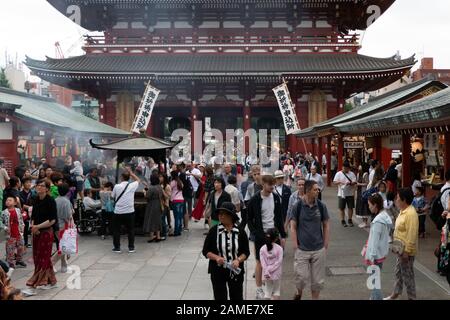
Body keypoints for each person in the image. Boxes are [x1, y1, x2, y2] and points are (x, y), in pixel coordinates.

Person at [247, 175, 287, 300]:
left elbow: (279, 217)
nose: (272, 188)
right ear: (263, 184)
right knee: (260, 261)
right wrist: (256, 233)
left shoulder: (275, 197)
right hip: (261, 234)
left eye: (273, 185)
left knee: (275, 261)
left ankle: (274, 290)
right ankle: (259, 289)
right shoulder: (255, 199)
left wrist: (283, 235)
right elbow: (249, 219)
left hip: (274, 234)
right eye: (270, 185)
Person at [289, 180, 330, 300]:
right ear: (307, 191)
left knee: (317, 282)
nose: (318, 191)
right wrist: (295, 245)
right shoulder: (298, 206)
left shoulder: (321, 206)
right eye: (315, 189)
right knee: (301, 278)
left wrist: (325, 243)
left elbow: (326, 224)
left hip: (318, 249)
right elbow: (293, 226)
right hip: (302, 249)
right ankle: (298, 294)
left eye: (318, 189)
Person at [202, 202, 249, 300]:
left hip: (235, 271)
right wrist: (216, 257)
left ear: (231, 216)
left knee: (237, 297)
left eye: (223, 213)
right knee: (220, 297)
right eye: (219, 214)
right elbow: (205, 251)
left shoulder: (240, 232)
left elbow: (246, 252)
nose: (220, 216)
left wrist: (238, 260)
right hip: (217, 271)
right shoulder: (214, 231)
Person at [22, 179, 58, 297]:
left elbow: (52, 220)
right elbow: (34, 215)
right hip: (36, 232)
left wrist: (38, 226)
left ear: (47, 188)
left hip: (46, 232)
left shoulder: (50, 200)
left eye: (42, 186)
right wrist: (33, 226)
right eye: (38, 185)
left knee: (43, 258)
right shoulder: (35, 199)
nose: (39, 187)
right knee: (39, 258)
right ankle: (52, 281)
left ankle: (33, 286)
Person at [384, 188, 419, 300]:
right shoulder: (403, 211)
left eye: (398, 198)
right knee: (398, 273)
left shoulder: (411, 214)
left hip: (406, 251)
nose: (396, 200)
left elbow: (411, 235)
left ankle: (412, 297)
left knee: (407, 276)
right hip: (399, 249)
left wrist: (407, 252)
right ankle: (395, 293)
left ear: (404, 200)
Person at [363, 193, 393, 300]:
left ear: (375, 205)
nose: (369, 207)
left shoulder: (377, 222)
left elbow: (374, 241)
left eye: (370, 205)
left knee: (374, 284)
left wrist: (371, 257)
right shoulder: (385, 217)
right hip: (381, 254)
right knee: (375, 282)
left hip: (375, 256)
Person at [111, 167, 140, 253]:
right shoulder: (132, 185)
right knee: (131, 230)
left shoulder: (117, 186)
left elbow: (112, 197)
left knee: (116, 230)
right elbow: (138, 180)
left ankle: (117, 248)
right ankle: (131, 247)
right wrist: (131, 173)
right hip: (130, 211)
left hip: (118, 212)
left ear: (121, 178)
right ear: (129, 178)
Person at [53, 183, 74, 273]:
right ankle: (51, 263)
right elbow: (68, 216)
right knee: (64, 248)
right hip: (63, 225)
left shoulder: (55, 200)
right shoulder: (66, 201)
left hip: (56, 225)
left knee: (63, 246)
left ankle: (64, 266)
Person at [1, 196, 26, 269]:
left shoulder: (18, 210)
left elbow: (21, 219)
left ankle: (19, 260)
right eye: (7, 200)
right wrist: (5, 228)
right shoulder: (4, 212)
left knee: (20, 248)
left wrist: (23, 227)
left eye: (10, 200)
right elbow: (1, 222)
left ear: (15, 203)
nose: (8, 201)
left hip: (19, 233)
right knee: (10, 250)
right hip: (10, 234)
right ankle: (10, 263)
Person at [259, 228, 283, 300]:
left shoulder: (262, 249)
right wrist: (271, 269)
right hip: (276, 274)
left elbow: (262, 263)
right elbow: (279, 262)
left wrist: (267, 271)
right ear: (276, 238)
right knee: (276, 291)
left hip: (266, 275)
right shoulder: (279, 248)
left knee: (267, 292)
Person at [333, 161, 357, 227]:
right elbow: (334, 182)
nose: (345, 169)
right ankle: (343, 220)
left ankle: (350, 219)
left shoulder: (352, 174)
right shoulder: (338, 173)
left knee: (350, 207)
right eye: (344, 168)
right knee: (342, 208)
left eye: (347, 168)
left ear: (349, 168)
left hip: (350, 193)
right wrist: (339, 182)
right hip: (341, 193)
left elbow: (355, 182)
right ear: (342, 167)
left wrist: (351, 183)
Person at [143, 174, 164, 243]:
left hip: (152, 205)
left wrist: (144, 192)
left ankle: (151, 236)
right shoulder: (159, 187)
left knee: (151, 219)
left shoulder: (152, 188)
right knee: (158, 220)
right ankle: (158, 236)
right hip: (159, 204)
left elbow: (147, 196)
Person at [273, 170, 292, 234]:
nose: (280, 180)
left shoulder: (287, 189)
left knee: (283, 233)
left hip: (284, 213)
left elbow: (290, 203)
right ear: (275, 179)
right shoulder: (271, 188)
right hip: (274, 213)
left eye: (281, 178)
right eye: (278, 178)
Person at [19, 177, 34, 248]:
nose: (29, 184)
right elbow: (21, 205)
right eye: (27, 182)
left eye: (29, 182)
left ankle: (27, 243)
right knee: (24, 228)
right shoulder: (20, 193)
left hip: (32, 213)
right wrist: (30, 208)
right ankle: (24, 243)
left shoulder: (33, 192)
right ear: (23, 184)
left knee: (30, 228)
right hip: (24, 213)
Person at [170, 169, 185, 237]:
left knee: (176, 217)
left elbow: (169, 189)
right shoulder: (180, 182)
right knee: (180, 216)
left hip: (175, 201)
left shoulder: (173, 182)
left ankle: (176, 231)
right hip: (181, 200)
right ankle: (179, 230)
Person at [356, 163, 371, 228]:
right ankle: (363, 221)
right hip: (359, 191)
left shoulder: (365, 174)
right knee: (360, 205)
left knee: (364, 206)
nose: (359, 167)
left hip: (364, 191)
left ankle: (365, 222)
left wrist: (359, 184)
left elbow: (367, 183)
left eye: (360, 166)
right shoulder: (358, 174)